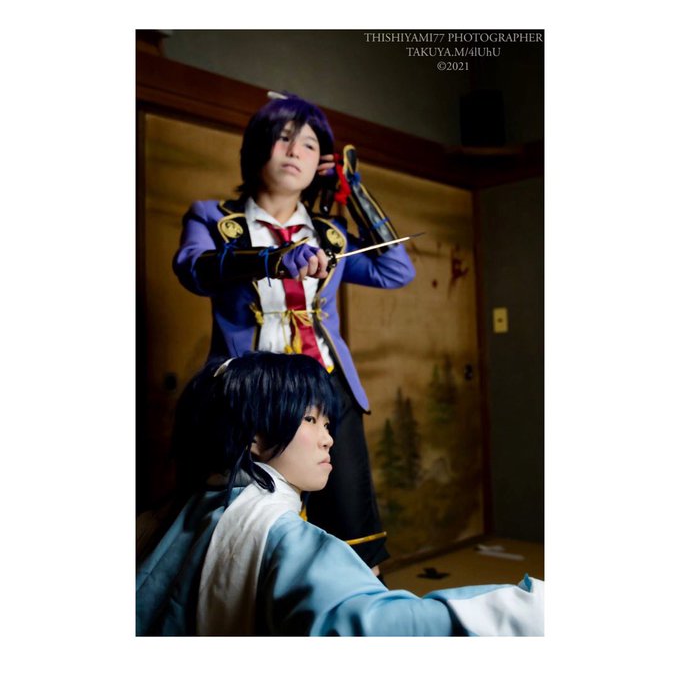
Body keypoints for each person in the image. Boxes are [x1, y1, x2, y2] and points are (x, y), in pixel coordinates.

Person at [172, 92, 416, 575]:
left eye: (308, 144)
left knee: (350, 524)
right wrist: (271, 259)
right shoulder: (215, 218)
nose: (294, 151)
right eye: (282, 138)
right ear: (255, 148)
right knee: (244, 522)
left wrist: (355, 195)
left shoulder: (329, 233)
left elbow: (396, 270)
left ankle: (354, 606)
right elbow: (193, 269)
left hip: (326, 389)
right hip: (247, 391)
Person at [136, 352, 544, 637]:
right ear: (254, 437)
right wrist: (521, 613)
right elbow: (370, 628)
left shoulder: (183, 507)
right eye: (309, 419)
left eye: (328, 424)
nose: (328, 439)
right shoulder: (280, 534)